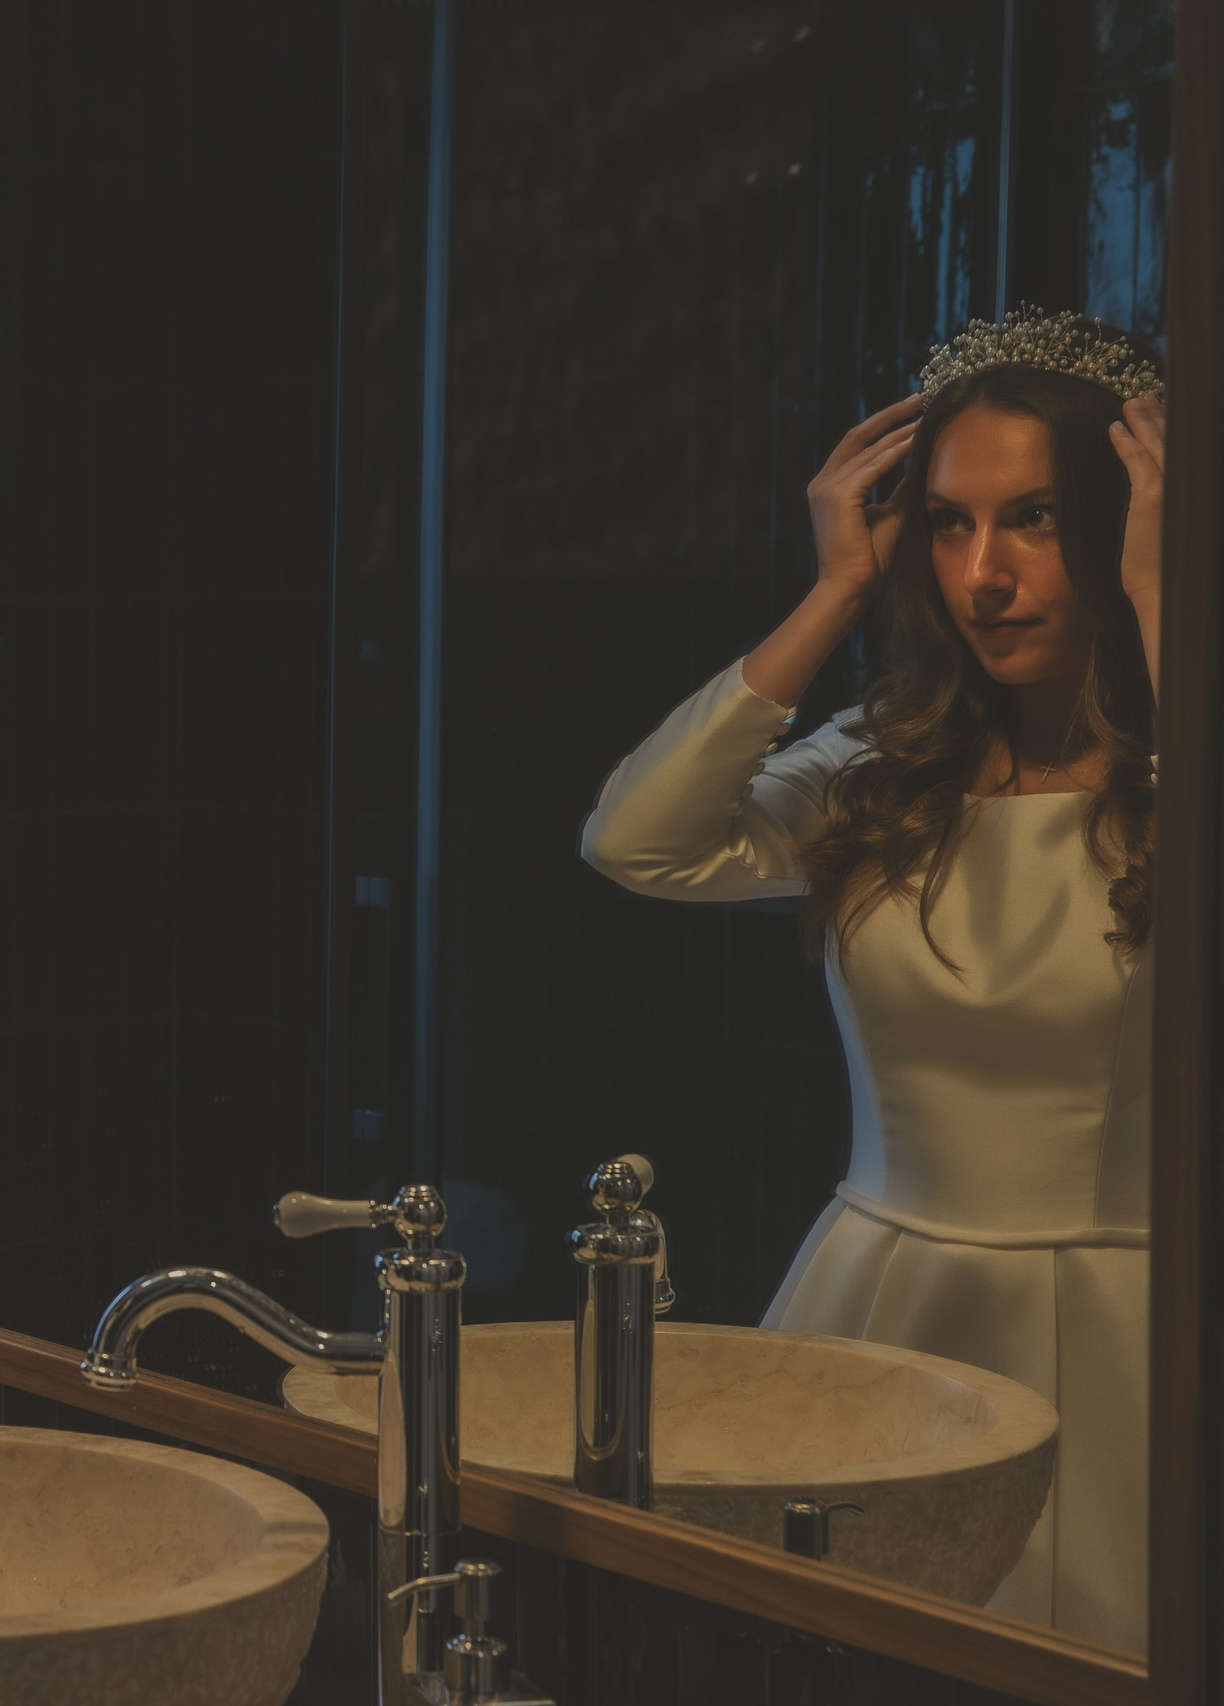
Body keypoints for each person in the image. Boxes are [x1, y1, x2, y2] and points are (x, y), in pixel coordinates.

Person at [580, 306, 1164, 1652]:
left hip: (1136, 1323)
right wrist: (834, 591)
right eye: (950, 526)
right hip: (881, 1304)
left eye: (1033, 518)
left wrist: (1172, 600)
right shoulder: (880, 761)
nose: (986, 576)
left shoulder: (1169, 776)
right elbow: (636, 840)